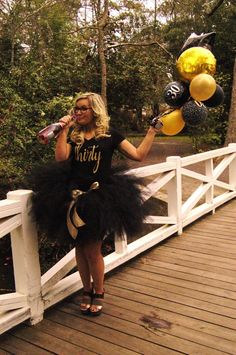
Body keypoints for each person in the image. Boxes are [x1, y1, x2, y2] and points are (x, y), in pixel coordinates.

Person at [31, 92, 161, 316]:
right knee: (80, 248)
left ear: (95, 111)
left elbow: (138, 155)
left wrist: (152, 131)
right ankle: (87, 289)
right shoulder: (76, 136)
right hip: (74, 197)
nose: (78, 112)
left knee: (93, 249)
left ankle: (99, 292)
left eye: (83, 108)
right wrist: (62, 131)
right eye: (77, 108)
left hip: (99, 199)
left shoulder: (110, 135)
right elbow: (61, 158)